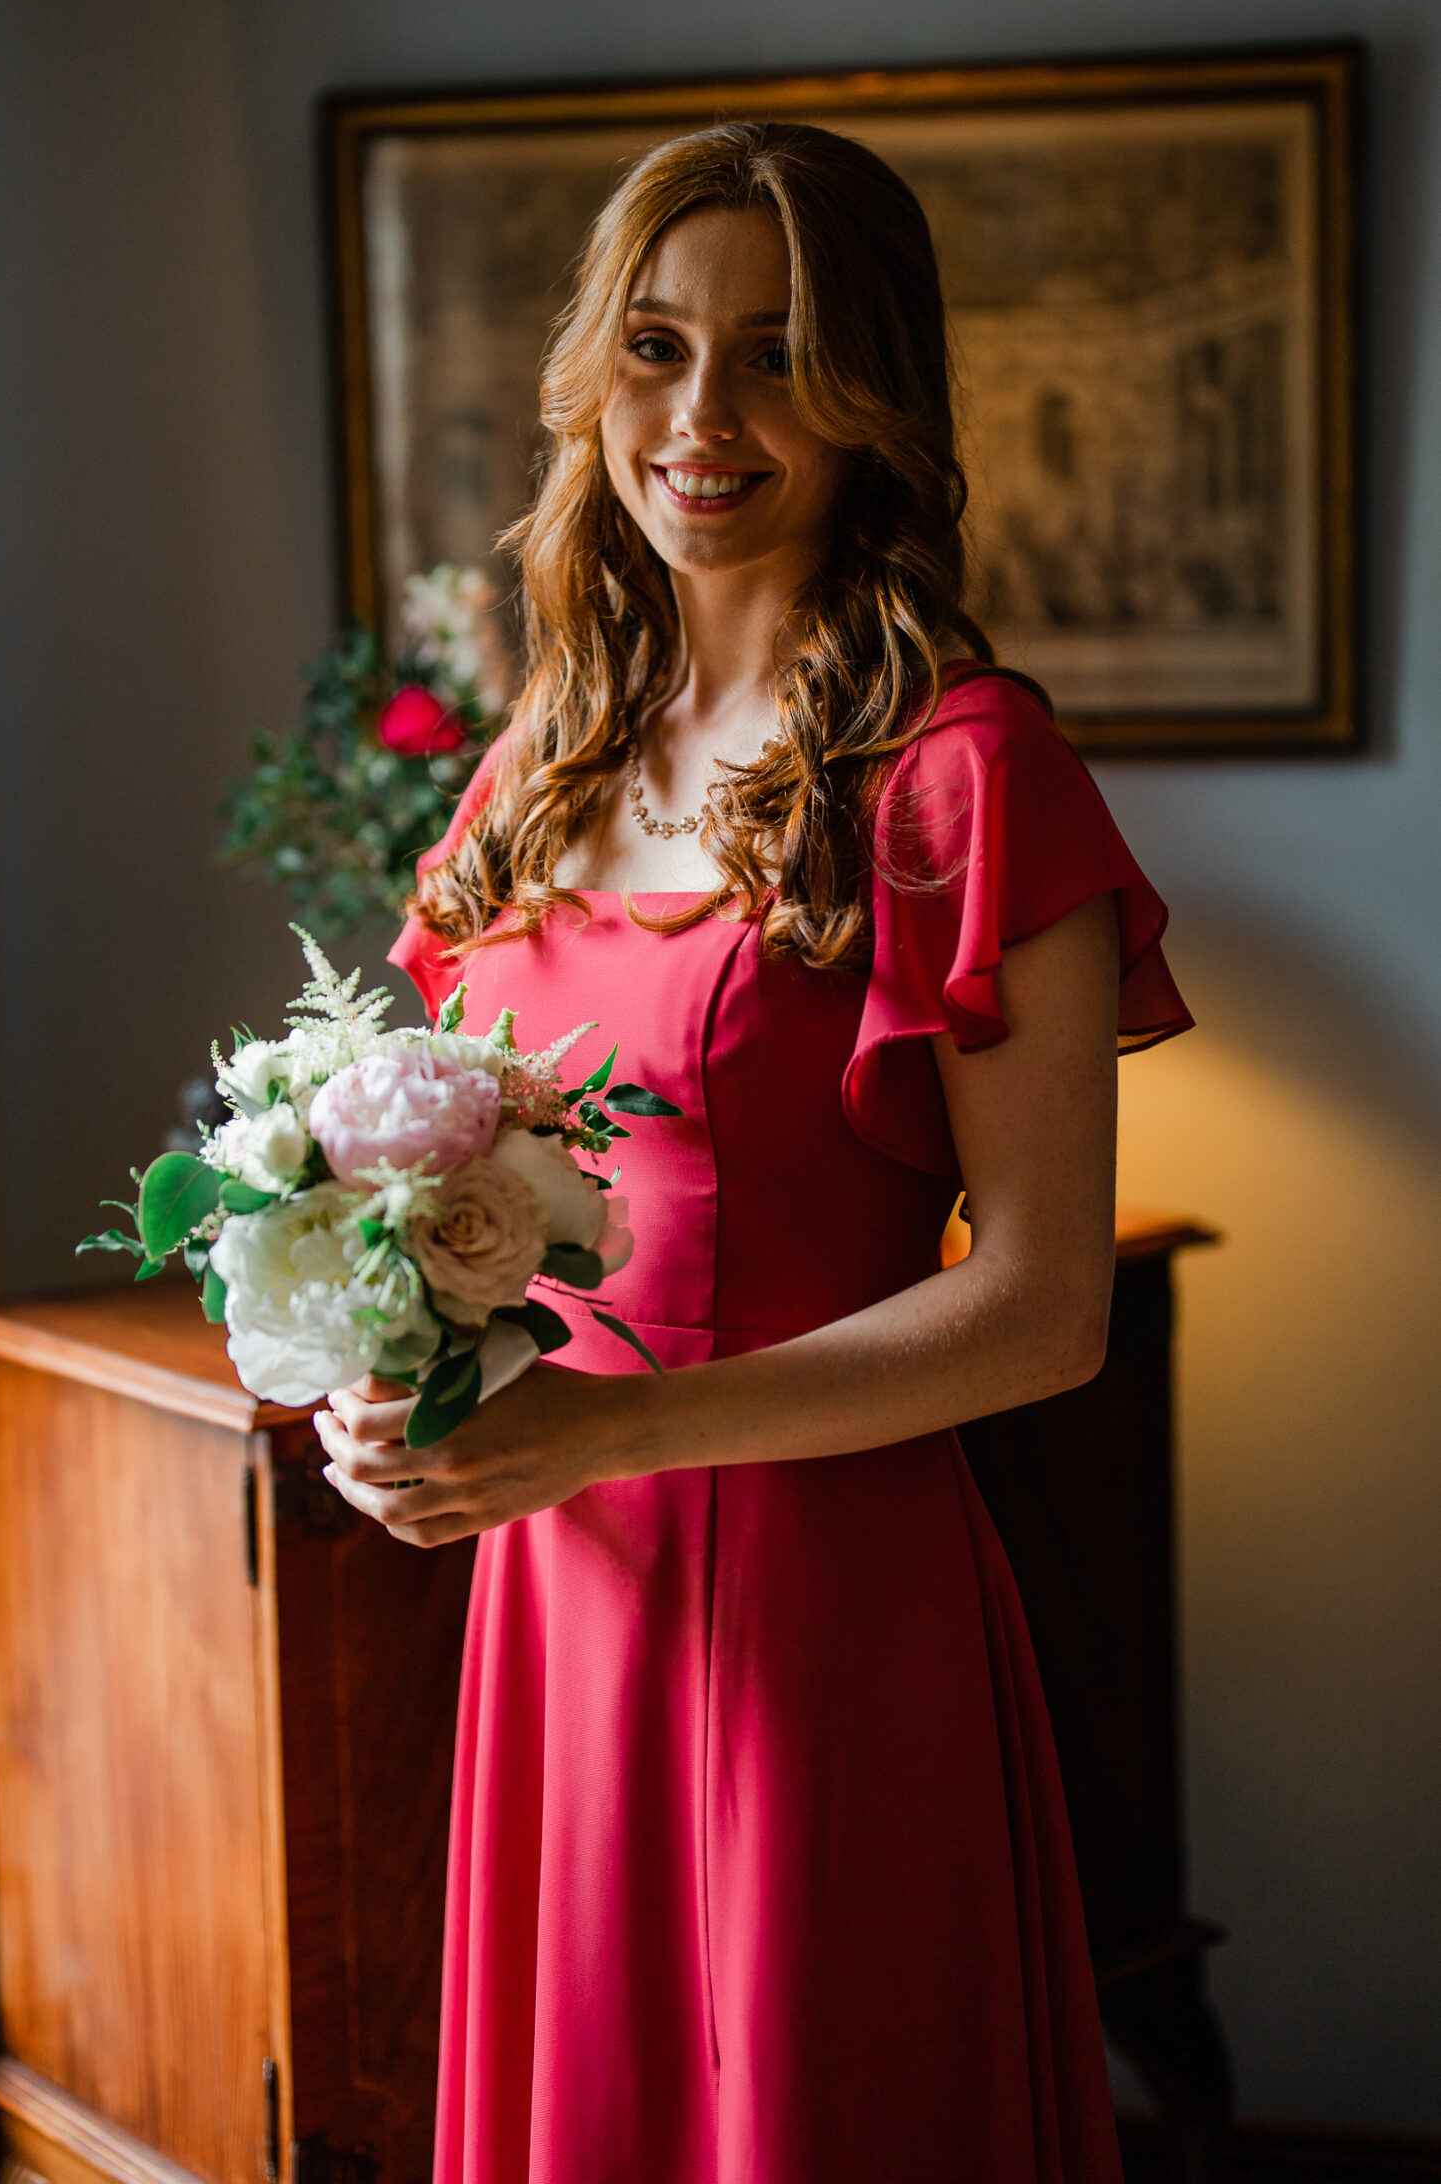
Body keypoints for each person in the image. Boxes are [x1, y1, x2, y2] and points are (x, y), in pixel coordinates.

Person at [314, 121, 1191, 2184]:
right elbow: (428, 1177)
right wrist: (396, 1385)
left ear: (873, 394)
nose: (702, 415)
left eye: (778, 353)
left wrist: (606, 1436)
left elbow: (1045, 1305)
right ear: (589, 382)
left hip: (822, 1617)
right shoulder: (544, 757)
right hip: (563, 1601)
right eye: (654, 345)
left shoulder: (965, 769)